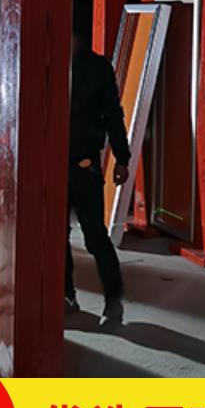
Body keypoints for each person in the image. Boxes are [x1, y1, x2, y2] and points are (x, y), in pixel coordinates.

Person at [66, 24, 131, 325]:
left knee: (95, 237)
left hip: (84, 166)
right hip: (53, 167)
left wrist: (122, 158)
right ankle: (66, 295)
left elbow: (113, 114)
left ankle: (114, 302)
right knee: (56, 237)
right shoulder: (48, 63)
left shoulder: (97, 68)